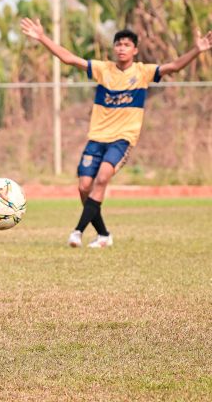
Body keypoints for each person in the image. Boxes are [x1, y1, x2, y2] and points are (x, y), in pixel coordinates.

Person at [21, 17, 212, 248]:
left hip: (122, 139)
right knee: (83, 187)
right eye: (118, 44)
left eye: (126, 44)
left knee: (102, 179)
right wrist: (41, 37)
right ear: (114, 48)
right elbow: (69, 59)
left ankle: (77, 232)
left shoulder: (143, 72)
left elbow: (174, 67)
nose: (122, 48)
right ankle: (103, 235)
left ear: (135, 50)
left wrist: (197, 50)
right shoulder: (104, 69)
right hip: (97, 138)